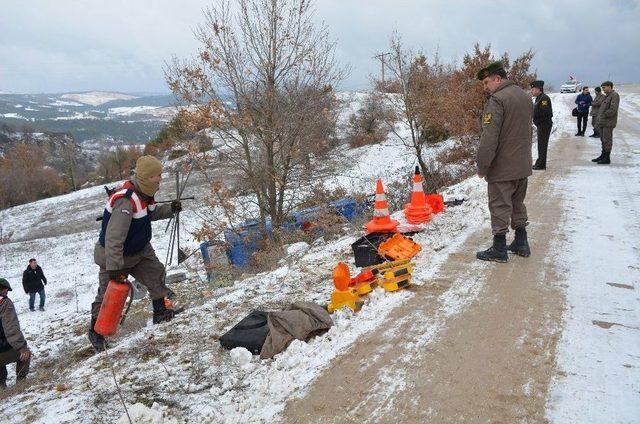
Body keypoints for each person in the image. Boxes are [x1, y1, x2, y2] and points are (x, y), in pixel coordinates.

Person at [88, 155, 182, 351]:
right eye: (158, 175)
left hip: (139, 251)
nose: (160, 179)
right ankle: (96, 333)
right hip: (115, 255)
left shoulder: (144, 194)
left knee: (155, 273)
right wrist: (115, 268)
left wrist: (170, 209)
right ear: (147, 177)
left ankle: (160, 312)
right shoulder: (125, 200)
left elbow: (150, 213)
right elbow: (114, 238)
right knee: (107, 294)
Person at [475, 61, 533, 262]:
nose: (485, 88)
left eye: (486, 82)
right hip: (523, 163)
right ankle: (521, 242)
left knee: (499, 205)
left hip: (502, 166)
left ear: (497, 79)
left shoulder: (497, 100)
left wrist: (483, 165)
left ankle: (499, 248)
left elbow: (489, 138)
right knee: (518, 203)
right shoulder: (525, 97)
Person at [0, 278, 31, 388]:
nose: (7, 292)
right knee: (26, 354)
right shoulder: (4, 303)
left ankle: (1, 386)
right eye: (6, 290)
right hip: (2, 349)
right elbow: (11, 328)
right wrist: (22, 347)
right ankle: (21, 384)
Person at [592, 81, 620, 165]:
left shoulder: (614, 95)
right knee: (603, 139)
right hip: (603, 122)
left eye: (604, 87)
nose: (603, 89)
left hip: (608, 122)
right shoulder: (607, 96)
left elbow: (613, 110)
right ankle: (603, 155)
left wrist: (603, 115)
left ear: (609, 86)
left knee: (607, 140)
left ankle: (607, 158)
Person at [530, 80, 553, 170]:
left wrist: (533, 114)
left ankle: (541, 164)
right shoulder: (539, 98)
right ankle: (539, 162)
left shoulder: (544, 98)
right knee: (541, 144)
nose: (531, 91)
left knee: (542, 145)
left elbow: (544, 112)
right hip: (541, 124)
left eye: (533, 89)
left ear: (538, 89)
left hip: (544, 124)